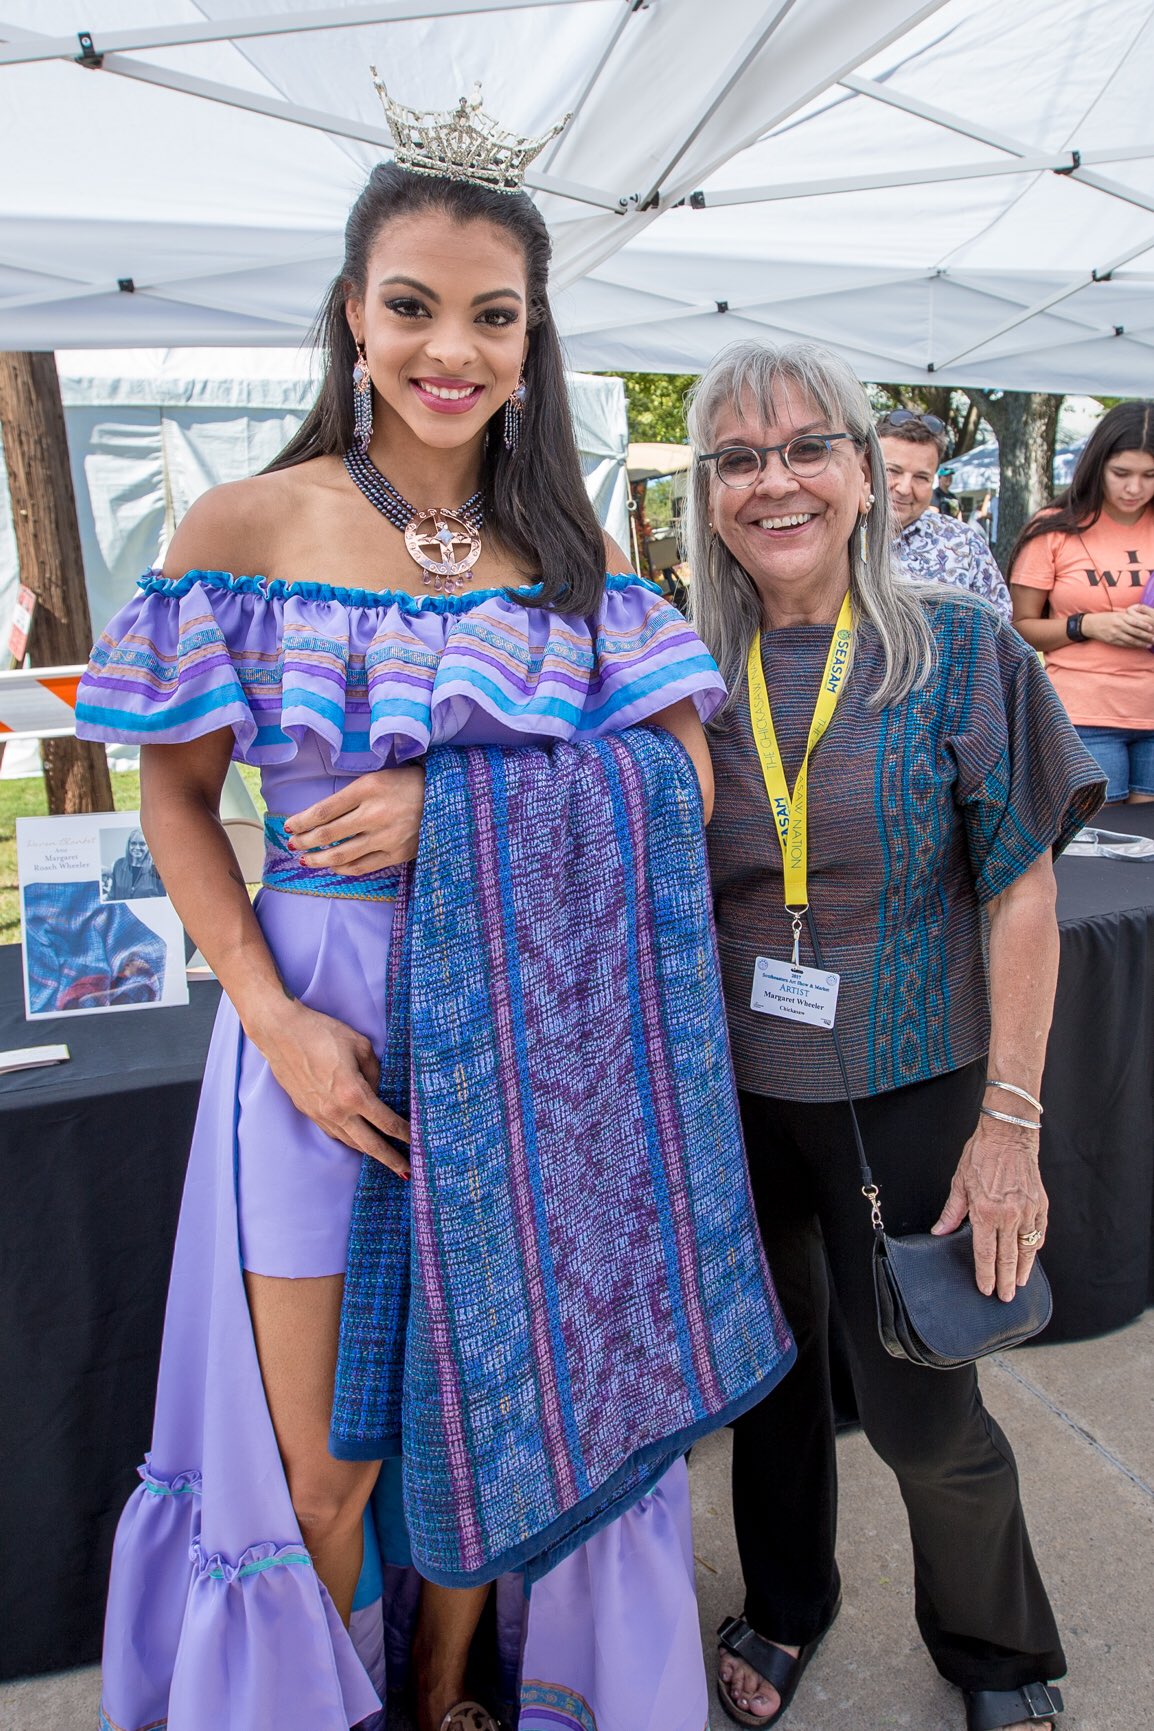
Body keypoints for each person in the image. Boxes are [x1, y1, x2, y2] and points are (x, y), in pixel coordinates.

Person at [76, 113, 792, 1731]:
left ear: (533, 334)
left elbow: (678, 775)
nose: (448, 349)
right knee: (322, 1469)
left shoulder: (571, 554)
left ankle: (448, 1683)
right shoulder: (243, 531)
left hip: (539, 1038)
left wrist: (451, 812)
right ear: (349, 310)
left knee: (501, 1408)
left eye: (490, 314)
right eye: (411, 305)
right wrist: (271, 1023)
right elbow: (177, 802)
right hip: (318, 1020)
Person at [684, 339, 1103, 1731]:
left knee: (927, 1407)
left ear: (864, 474)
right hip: (732, 1089)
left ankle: (993, 1645)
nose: (774, 479)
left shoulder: (959, 648)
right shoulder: (677, 670)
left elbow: (1023, 884)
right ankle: (789, 1602)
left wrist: (1011, 1121)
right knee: (772, 1384)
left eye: (806, 445)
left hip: (912, 1078)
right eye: (738, 457)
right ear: (706, 491)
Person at [1010, 401, 1154, 805]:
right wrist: (1086, 625)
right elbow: (1019, 630)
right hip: (1083, 717)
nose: (1133, 489)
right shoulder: (1054, 530)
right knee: (1096, 856)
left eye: (1149, 476)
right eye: (1121, 473)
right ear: (1097, 465)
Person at [877, 409, 1011, 619]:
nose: (904, 488)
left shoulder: (962, 544)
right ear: (867, 467)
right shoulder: (836, 532)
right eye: (892, 471)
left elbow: (1001, 628)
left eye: (921, 477)